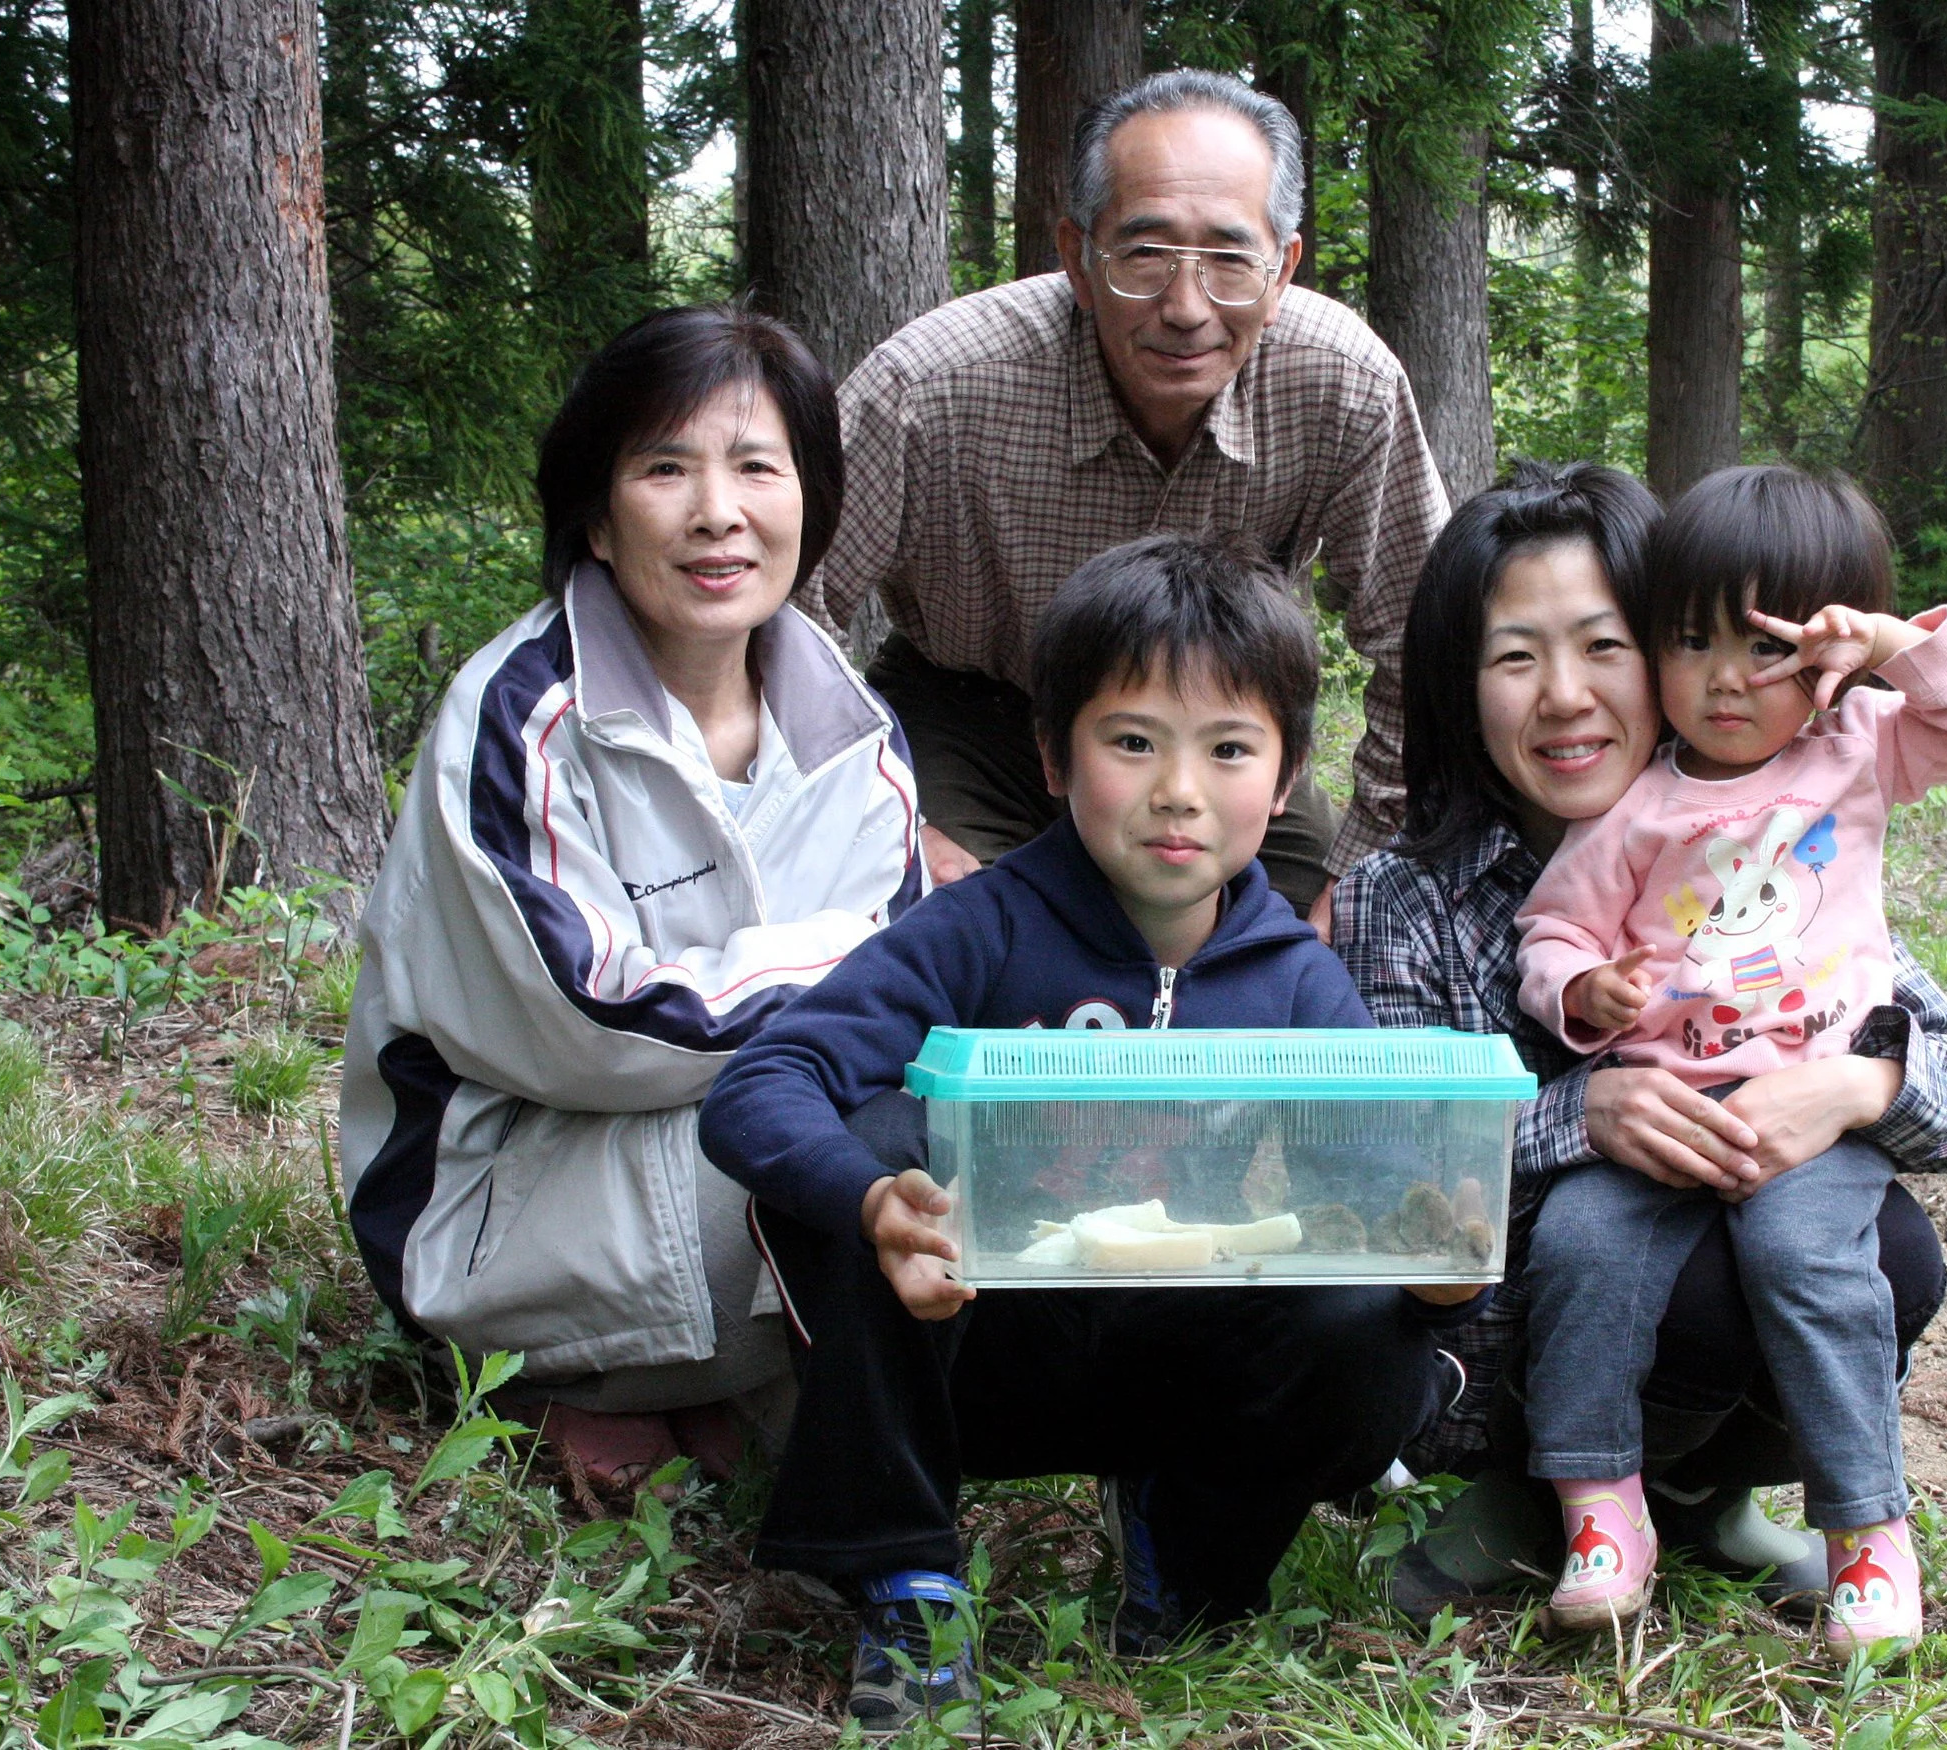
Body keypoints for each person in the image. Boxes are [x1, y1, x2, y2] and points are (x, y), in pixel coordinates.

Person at [700, 535, 1474, 1734]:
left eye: (1227, 748)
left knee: (1366, 1320)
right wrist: (870, 1201)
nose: (1180, 790)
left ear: (1284, 779)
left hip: (1184, 1365)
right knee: (887, 1140)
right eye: (1132, 741)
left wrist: (1430, 1267)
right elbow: (766, 1083)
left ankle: (1194, 1551)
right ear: (1054, 757)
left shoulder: (1292, 978)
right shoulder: (982, 927)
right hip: (977, 1352)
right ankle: (905, 1579)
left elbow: (1368, 1183)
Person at [1329, 462, 1947, 1628]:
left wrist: (1853, 1082)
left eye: (1603, 647)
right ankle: (1540, 1495)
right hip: (1500, 1345)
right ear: (1457, 683)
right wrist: (1576, 1117)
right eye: (1514, 657)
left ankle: (1703, 1490)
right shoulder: (1403, 895)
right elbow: (1392, 1174)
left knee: (1881, 1249)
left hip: (1750, 1218)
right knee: (1631, 1247)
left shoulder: (1770, 821)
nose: (1565, 697)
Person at [339, 305, 920, 1492]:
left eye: (759, 466)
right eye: (667, 469)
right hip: (504, 1194)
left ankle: (714, 1394)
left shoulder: (852, 734)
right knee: (878, 1162)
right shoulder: (519, 716)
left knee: (940, 1144)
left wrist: (867, 995)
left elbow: (908, 1005)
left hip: (701, 1162)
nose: (720, 511)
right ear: (598, 519)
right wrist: (847, 972)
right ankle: (580, 1381)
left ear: (808, 500)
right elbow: (595, 1025)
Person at [1508, 466, 1947, 1648]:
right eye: (1691, 643)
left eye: (1766, 648)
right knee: (1583, 1250)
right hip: (1666, 1104)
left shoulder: (1858, 747)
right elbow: (1553, 929)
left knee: (1811, 1260)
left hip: (1814, 1102)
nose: (1727, 679)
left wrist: (1896, 644)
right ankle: (1601, 1509)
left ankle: (1866, 1536)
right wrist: (1584, 988)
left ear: (1824, 658)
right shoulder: (1633, 807)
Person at [802, 68, 1450, 928]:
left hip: (1215, 725)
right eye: (1145, 255)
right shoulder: (933, 387)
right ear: (1078, 256)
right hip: (976, 717)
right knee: (958, 938)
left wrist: (1357, 875)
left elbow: (1426, 642)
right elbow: (786, 614)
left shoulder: (1343, 384)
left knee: (1303, 946)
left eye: (1228, 258)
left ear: (1283, 265)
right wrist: (886, 823)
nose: (1186, 308)